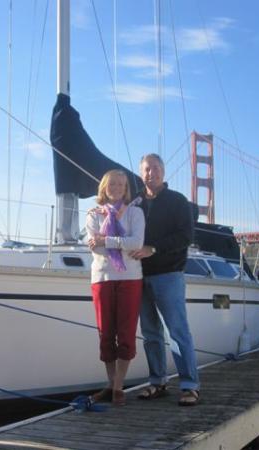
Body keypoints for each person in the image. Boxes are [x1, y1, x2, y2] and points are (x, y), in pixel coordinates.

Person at [129, 153, 200, 406]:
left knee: (178, 331)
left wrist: (153, 248)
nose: (152, 173)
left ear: (163, 171)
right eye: (147, 169)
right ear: (141, 173)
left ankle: (190, 385)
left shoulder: (178, 201)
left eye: (156, 168)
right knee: (150, 333)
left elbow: (185, 236)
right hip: (139, 275)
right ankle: (158, 382)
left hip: (168, 274)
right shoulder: (134, 203)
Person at [86, 169, 145, 406]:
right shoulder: (93, 215)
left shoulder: (135, 212)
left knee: (126, 333)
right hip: (101, 278)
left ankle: (119, 386)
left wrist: (106, 240)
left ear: (126, 188)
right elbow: (95, 249)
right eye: (112, 183)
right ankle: (110, 384)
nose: (117, 187)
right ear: (104, 187)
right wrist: (116, 244)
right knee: (106, 335)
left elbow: (137, 243)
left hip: (130, 278)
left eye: (122, 183)